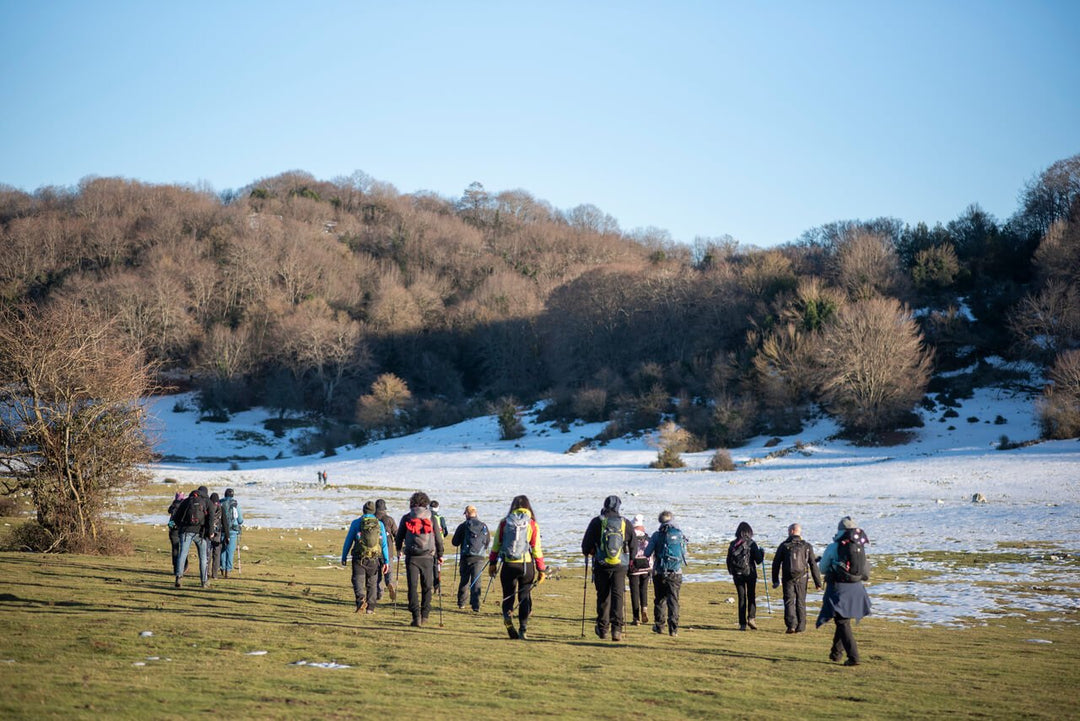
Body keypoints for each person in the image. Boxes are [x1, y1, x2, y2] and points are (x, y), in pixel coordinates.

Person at [488, 495, 546, 639]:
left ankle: (508, 621)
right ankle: (523, 629)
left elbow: (496, 545)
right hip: (526, 565)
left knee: (508, 596)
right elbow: (536, 548)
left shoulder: (504, 522)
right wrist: (541, 569)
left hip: (508, 564)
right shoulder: (532, 524)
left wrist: (492, 563)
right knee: (524, 597)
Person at [817, 516, 872, 666]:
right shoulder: (859, 545)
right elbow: (865, 571)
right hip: (856, 587)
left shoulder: (834, 546)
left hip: (839, 587)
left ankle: (854, 657)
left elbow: (822, 568)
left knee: (841, 621)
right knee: (843, 619)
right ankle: (836, 653)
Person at [581, 495, 635, 642]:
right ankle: (617, 630)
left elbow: (585, 546)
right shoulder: (625, 523)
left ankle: (603, 628)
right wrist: (630, 560)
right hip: (620, 565)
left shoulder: (597, 522)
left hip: (601, 564)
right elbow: (633, 545)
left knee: (603, 595)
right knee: (618, 595)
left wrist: (591, 552)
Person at [394, 491, 444, 627]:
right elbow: (439, 539)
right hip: (428, 556)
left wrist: (399, 549)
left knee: (412, 586)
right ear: (425, 503)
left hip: (412, 556)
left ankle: (416, 616)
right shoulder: (431, 517)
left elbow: (399, 537)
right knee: (427, 586)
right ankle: (425, 615)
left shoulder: (407, 517)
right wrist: (440, 555)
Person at [771, 522, 822, 633]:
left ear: (791, 531)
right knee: (801, 601)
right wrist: (818, 583)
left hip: (788, 577)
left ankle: (791, 625)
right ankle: (801, 626)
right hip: (802, 577)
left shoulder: (784, 545)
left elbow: (776, 563)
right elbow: (813, 564)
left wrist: (775, 580)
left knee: (789, 601)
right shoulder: (806, 546)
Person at [341, 501, 390, 613]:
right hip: (374, 558)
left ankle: (360, 599)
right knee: (372, 583)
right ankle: (370, 608)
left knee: (357, 580)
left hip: (359, 557)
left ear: (363, 510)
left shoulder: (356, 523)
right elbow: (384, 544)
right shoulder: (379, 524)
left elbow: (348, 541)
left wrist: (344, 556)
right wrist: (386, 561)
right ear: (374, 511)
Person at [645, 510, 687, 637]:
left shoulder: (657, 535)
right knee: (673, 600)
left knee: (660, 600)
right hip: (676, 572)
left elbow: (647, 552)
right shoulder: (679, 534)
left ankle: (659, 626)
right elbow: (684, 552)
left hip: (660, 571)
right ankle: (673, 629)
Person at [170, 485, 211, 588]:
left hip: (185, 532)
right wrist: (209, 532)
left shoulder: (187, 501)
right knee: (203, 558)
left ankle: (178, 577)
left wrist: (180, 527)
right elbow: (211, 518)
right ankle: (204, 581)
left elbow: (177, 517)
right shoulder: (207, 501)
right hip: (200, 534)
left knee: (182, 554)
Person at [726, 521, 764, 630]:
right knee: (751, 595)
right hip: (750, 573)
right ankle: (751, 618)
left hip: (737, 574)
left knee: (741, 597)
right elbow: (758, 561)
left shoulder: (733, 544)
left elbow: (728, 559)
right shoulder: (752, 543)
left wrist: (731, 571)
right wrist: (762, 553)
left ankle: (742, 623)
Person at [452, 505, 490, 612]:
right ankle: (475, 605)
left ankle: (461, 603)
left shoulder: (463, 526)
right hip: (479, 557)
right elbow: (487, 542)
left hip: (466, 557)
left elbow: (454, 542)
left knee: (464, 579)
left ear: (467, 514)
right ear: (476, 513)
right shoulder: (484, 526)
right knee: (476, 580)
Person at [628, 513, 652, 625]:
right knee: (644, 589)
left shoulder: (629, 536)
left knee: (634, 591)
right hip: (646, 566)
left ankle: (636, 618)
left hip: (633, 567)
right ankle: (644, 609)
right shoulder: (647, 536)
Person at [374, 499, 398, 601]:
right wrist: (400, 548)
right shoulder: (389, 519)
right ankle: (389, 583)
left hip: (375, 550)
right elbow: (397, 534)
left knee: (377, 574)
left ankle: (379, 593)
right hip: (388, 550)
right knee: (389, 571)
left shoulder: (372, 519)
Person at [219, 488, 243, 578]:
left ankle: (222, 567)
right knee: (230, 550)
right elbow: (240, 520)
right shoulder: (235, 504)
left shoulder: (220, 502)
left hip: (221, 530)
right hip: (233, 530)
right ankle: (228, 570)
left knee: (222, 550)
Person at [207, 492, 229, 580]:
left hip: (209, 533)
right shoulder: (221, 508)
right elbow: (225, 523)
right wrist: (227, 535)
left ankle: (206, 572)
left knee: (208, 553)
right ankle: (215, 574)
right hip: (218, 534)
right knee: (217, 554)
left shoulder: (208, 507)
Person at [430, 499, 448, 591]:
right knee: (437, 565)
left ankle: (428, 584)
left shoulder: (426, 517)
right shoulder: (440, 518)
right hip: (438, 544)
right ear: (437, 508)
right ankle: (437, 586)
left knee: (428, 564)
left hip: (427, 544)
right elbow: (445, 531)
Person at [167, 491, 186, 573]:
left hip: (173, 530)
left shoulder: (172, 506)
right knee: (184, 549)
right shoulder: (185, 506)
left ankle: (175, 567)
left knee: (175, 549)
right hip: (181, 529)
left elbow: (169, 512)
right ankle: (183, 566)